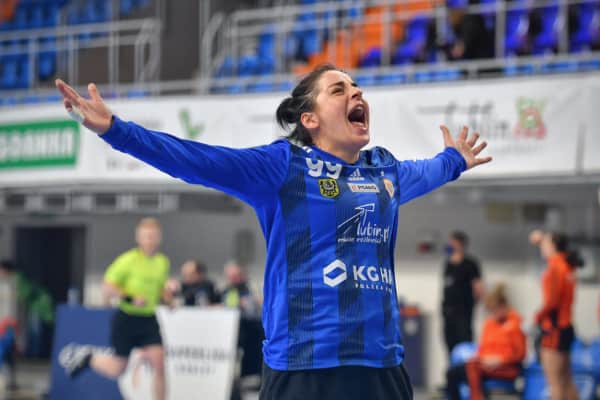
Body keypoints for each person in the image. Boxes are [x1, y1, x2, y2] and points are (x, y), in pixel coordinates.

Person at [54, 63, 491, 400]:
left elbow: (430, 170)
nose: (356, 93)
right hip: (303, 368)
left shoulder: (384, 170)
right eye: (338, 90)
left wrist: (454, 160)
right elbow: (196, 160)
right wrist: (117, 132)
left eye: (356, 87)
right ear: (310, 119)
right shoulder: (283, 167)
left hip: (381, 367)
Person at [66, 217, 170, 400]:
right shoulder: (128, 260)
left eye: (153, 236)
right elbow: (107, 286)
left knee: (160, 364)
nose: (150, 241)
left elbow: (161, 288)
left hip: (148, 319)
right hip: (126, 319)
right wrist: (130, 297)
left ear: (159, 238)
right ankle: (88, 358)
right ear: (139, 238)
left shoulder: (162, 262)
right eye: (146, 236)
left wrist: (169, 299)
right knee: (118, 369)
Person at [446, 283, 526, 400]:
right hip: (484, 365)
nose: (492, 314)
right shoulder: (489, 324)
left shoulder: (515, 325)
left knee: (472, 368)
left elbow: (520, 354)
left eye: (494, 310)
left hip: (506, 368)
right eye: (490, 311)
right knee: (453, 373)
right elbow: (483, 347)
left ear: (503, 307)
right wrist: (480, 357)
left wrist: (499, 360)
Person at [529, 230, 583, 400]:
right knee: (566, 380)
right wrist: (541, 239)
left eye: (545, 243)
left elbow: (552, 302)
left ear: (553, 246)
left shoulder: (554, 268)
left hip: (554, 328)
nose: (542, 247)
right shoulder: (567, 265)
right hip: (566, 327)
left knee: (555, 383)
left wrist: (536, 318)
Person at [442, 230, 484, 358]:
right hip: (448, 312)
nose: (449, 245)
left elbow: (478, 287)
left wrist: (471, 304)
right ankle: (453, 366)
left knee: (464, 341)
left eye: (452, 242)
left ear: (460, 244)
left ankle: (466, 367)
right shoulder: (448, 264)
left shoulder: (470, 264)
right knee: (449, 342)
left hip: (463, 311)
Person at [0, 259, 54, 358]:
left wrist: (16, 296)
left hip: (37, 307)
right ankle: (34, 352)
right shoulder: (15, 278)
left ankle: (35, 354)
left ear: (6, 270)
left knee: (35, 330)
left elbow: (25, 293)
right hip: (34, 307)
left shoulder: (17, 279)